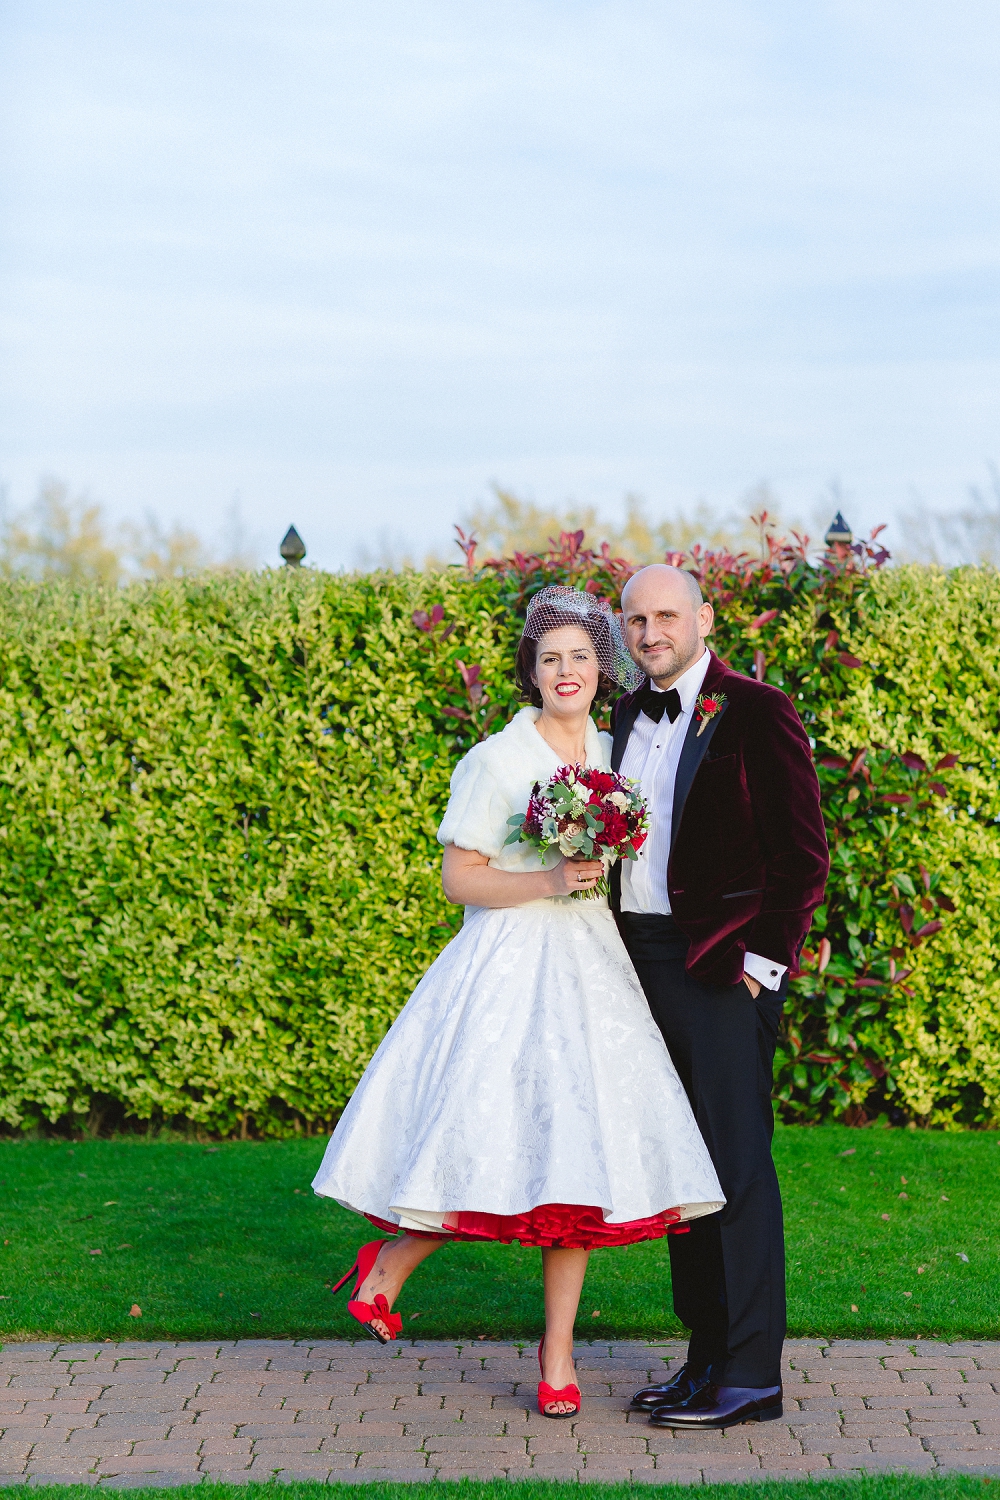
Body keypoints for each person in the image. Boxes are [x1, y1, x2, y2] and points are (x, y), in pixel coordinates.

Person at [312, 584, 723, 1419]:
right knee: (482, 1136)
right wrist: (547, 877)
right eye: (549, 659)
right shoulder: (497, 760)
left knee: (576, 1158)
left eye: (579, 657)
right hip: (508, 970)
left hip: (593, 975)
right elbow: (457, 875)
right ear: (529, 672)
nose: (565, 672)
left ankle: (558, 1355)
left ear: (600, 668)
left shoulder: (611, 753)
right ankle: (389, 1263)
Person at [609, 564, 829, 1430]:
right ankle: (703, 1361)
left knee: (735, 1172)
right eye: (635, 619)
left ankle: (751, 1376)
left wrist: (761, 964)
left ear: (703, 617)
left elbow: (803, 858)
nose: (651, 632)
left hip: (722, 973)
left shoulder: (759, 711)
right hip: (641, 966)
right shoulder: (624, 714)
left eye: (667, 615)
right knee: (683, 1174)